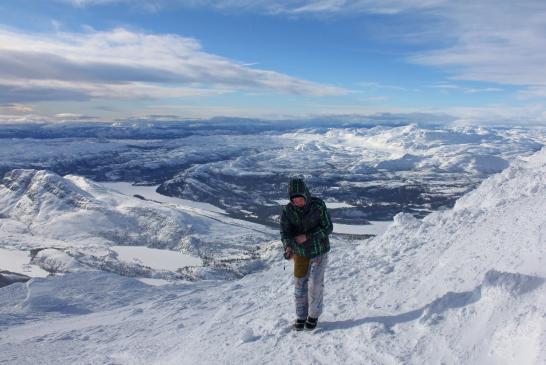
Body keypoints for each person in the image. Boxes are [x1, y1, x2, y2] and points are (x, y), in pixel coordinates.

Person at [280, 178, 333, 331]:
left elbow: (328, 227)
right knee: (299, 286)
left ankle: (314, 315)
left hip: (319, 252)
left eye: (300, 199)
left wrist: (307, 236)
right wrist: (288, 246)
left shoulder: (318, 205)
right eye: (294, 200)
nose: (297, 202)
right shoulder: (287, 210)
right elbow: (285, 232)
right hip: (300, 253)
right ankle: (301, 316)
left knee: (315, 285)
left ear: (306, 195)